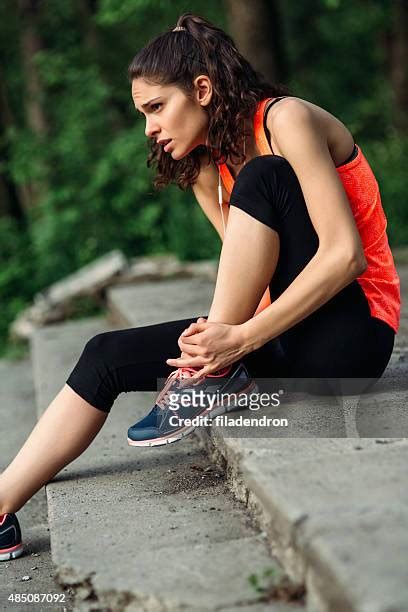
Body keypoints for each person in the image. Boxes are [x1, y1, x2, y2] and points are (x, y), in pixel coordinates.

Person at [0, 13, 400, 560]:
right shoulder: (206, 169)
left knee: (266, 177)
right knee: (104, 354)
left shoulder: (286, 120)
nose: (148, 128)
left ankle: (206, 374)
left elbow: (344, 256)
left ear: (203, 90)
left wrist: (235, 341)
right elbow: (250, 277)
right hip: (276, 336)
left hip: (354, 336)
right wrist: (219, 336)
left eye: (156, 108)